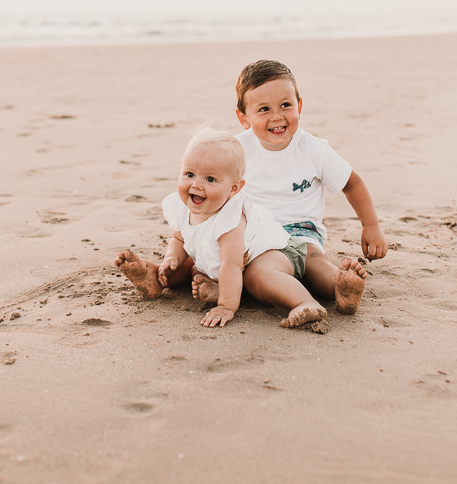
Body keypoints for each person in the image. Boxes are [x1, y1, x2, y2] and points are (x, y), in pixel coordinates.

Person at [115, 128, 328, 330]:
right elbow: (179, 239)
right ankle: (156, 280)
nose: (196, 185)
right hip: (227, 265)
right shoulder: (182, 205)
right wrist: (172, 257)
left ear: (234, 188)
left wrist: (226, 306)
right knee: (190, 267)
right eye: (189, 174)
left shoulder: (231, 220)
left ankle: (305, 302)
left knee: (258, 276)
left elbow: (232, 266)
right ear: (180, 171)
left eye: (210, 179)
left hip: (273, 253)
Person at [233, 59, 388, 315]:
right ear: (243, 118)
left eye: (286, 105)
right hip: (256, 235)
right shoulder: (235, 150)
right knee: (257, 274)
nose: (277, 116)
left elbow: (353, 183)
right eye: (263, 109)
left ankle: (342, 285)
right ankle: (302, 296)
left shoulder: (314, 149)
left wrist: (371, 225)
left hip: (303, 233)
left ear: (299, 105)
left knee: (315, 263)